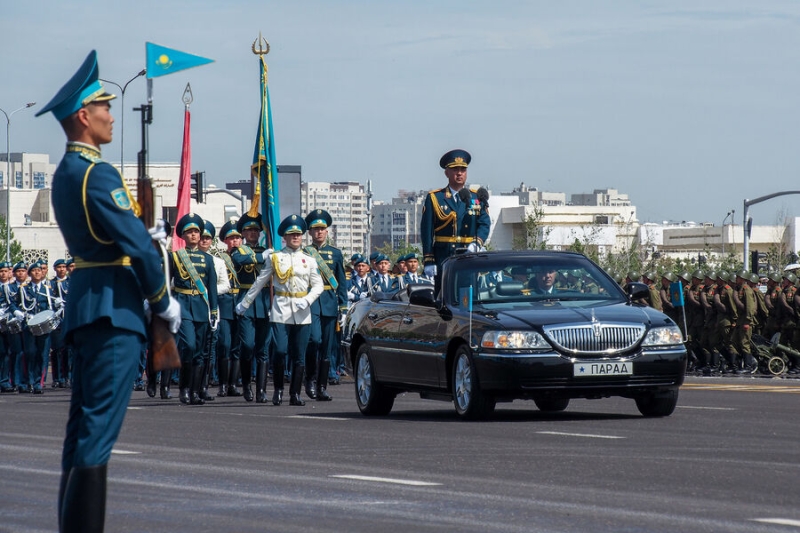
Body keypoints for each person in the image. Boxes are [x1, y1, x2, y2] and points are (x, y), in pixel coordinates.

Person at [37, 50, 181, 533]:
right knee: (97, 435)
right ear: (84, 115)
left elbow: (112, 237)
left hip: (87, 304)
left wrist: (139, 233)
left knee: (81, 431)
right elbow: (137, 248)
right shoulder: (96, 172)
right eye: (104, 106)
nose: (111, 115)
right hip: (114, 311)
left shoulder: (66, 173)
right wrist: (162, 301)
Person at [236, 214, 323, 406]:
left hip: (302, 310)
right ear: (284, 237)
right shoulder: (275, 257)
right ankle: (278, 390)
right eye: (292, 234)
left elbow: (318, 285)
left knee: (299, 355)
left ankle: (295, 394)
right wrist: (246, 302)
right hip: (281, 308)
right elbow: (260, 281)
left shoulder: (309, 260)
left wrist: (308, 300)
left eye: (298, 234)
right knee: (280, 351)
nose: (296, 237)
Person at [420, 149, 491, 289]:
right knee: (445, 295)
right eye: (455, 169)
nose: (459, 173)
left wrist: (477, 243)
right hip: (444, 257)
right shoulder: (435, 198)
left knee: (468, 295)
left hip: (469, 257)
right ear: (446, 173)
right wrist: (428, 259)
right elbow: (427, 232)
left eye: (463, 169)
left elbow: (484, 223)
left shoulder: (476, 197)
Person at [169, 213, 219, 405]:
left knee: (199, 351)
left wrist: (213, 310)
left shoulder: (208, 259)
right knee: (189, 345)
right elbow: (166, 283)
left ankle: (195, 391)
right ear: (183, 235)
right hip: (182, 304)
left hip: (201, 306)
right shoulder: (176, 257)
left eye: (196, 232)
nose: (193, 235)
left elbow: (212, 287)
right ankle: (183, 389)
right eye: (189, 232)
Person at [303, 209, 347, 399]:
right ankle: (310, 380)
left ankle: (322, 386)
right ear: (310, 232)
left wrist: (343, 307)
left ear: (327, 231)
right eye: (315, 229)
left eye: (322, 229)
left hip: (329, 302)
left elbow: (341, 281)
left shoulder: (335, 254)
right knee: (314, 340)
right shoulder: (304, 253)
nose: (319, 232)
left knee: (327, 347)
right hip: (311, 301)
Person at [230, 213, 271, 402]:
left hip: (265, 302)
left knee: (263, 348)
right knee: (247, 345)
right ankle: (246, 384)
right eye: (249, 230)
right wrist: (263, 256)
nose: (253, 233)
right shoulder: (238, 251)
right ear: (243, 233)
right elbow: (241, 261)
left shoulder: (267, 250)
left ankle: (261, 390)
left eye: (256, 230)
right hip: (245, 302)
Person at [215, 220, 243, 397]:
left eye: (238, 238)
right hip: (225, 303)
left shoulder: (247, 258)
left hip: (241, 303)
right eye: (231, 238)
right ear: (225, 241)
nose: (235, 241)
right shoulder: (219, 259)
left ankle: (233, 384)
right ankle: (223, 384)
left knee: (237, 347)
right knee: (224, 344)